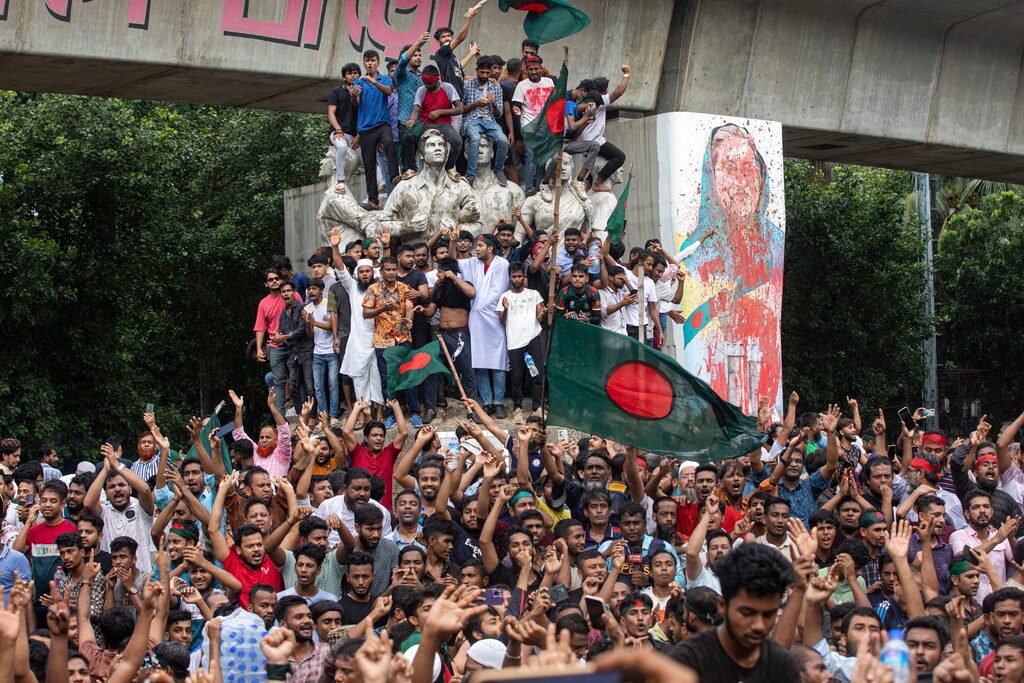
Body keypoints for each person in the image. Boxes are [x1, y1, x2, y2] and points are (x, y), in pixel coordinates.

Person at [669, 542, 802, 682]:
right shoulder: (687, 661)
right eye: (747, 613)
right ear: (722, 606)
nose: (759, 625)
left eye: (768, 614)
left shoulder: (783, 665)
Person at [460, 234, 511, 418]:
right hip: (476, 318)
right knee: (479, 362)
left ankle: (499, 401)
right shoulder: (473, 263)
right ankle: (487, 401)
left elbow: (500, 290)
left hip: (497, 317)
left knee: (498, 362)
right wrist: (451, 241)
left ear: (490, 248)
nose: (477, 248)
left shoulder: (502, 264)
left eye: (480, 245)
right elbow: (454, 262)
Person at [496, 262, 545, 423]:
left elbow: (539, 317)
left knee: (536, 375)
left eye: (519, 276)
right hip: (515, 342)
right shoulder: (505, 296)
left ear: (524, 276)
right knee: (516, 377)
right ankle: (518, 408)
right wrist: (506, 309)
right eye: (513, 276)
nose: (516, 279)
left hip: (533, 338)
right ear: (509, 277)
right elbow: (502, 320)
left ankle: (537, 408)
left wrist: (542, 313)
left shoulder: (534, 294)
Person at [353, 50, 397, 211]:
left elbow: (388, 91)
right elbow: (356, 103)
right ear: (364, 63)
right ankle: (373, 200)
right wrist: (353, 95)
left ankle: (394, 177)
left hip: (382, 123)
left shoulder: (385, 78)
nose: (370, 63)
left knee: (389, 143)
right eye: (367, 61)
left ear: (378, 63)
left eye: (373, 60)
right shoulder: (359, 81)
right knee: (369, 164)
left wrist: (373, 82)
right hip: (365, 127)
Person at [406, 65, 464, 171]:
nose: (426, 86)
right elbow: (416, 110)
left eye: (429, 83)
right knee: (408, 136)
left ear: (437, 79)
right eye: (425, 83)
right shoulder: (421, 90)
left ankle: (449, 168)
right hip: (426, 124)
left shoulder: (448, 88)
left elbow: (460, 109)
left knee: (457, 141)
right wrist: (412, 120)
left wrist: (440, 112)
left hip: (444, 124)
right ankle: (412, 169)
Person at [462, 56, 509, 186]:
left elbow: (499, 114)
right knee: (475, 139)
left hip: (489, 120)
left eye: (487, 73)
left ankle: (499, 169)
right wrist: (476, 104)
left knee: (503, 141)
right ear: (476, 70)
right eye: (482, 72)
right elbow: (460, 109)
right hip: (472, 119)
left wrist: (493, 103)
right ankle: (471, 174)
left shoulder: (496, 88)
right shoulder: (467, 85)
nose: (484, 75)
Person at [512, 55, 554, 193]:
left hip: (546, 126)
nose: (534, 72)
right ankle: (529, 187)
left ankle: (539, 186)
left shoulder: (549, 82)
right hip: (529, 125)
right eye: (531, 69)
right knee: (530, 155)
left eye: (536, 69)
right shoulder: (521, 86)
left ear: (540, 68)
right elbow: (516, 107)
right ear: (526, 69)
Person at [254, 268, 289, 413]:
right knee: (278, 381)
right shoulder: (263, 303)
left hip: (294, 343)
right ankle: (281, 416)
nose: (274, 281)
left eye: (277, 278)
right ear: (265, 284)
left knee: (298, 377)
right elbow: (260, 327)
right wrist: (258, 349)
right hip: (275, 345)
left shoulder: (290, 294)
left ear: (281, 280)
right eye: (270, 279)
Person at [326, 63, 360, 194]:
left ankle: (374, 195)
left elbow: (365, 115)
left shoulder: (362, 92)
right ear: (344, 76)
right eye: (349, 73)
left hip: (354, 136)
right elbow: (331, 113)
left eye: (355, 73)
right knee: (341, 147)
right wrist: (338, 129)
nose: (352, 76)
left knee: (369, 158)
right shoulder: (337, 91)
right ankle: (340, 181)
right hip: (337, 132)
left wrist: (360, 135)